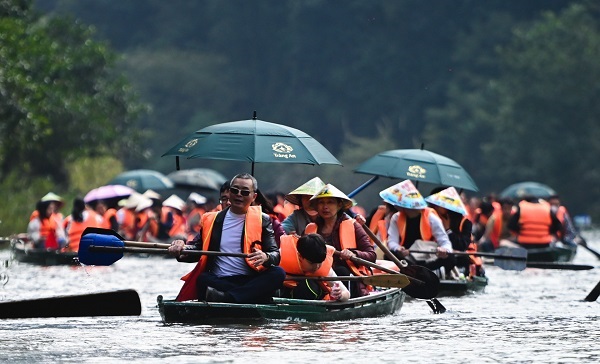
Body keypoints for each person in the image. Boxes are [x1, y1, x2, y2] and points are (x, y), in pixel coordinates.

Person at [168, 173, 285, 303]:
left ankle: (228, 297)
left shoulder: (263, 219)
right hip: (222, 280)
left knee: (278, 273)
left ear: (254, 196)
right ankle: (248, 296)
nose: (239, 194)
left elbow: (275, 254)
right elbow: (197, 249)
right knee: (203, 278)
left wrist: (266, 257)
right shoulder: (212, 219)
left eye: (245, 192)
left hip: (251, 278)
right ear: (229, 193)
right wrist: (181, 248)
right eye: (235, 190)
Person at [306, 183, 376, 297]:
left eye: (330, 202)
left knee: (341, 271)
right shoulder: (310, 228)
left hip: (346, 275)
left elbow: (371, 255)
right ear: (317, 206)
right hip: (319, 274)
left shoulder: (353, 226)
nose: (325, 207)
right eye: (321, 202)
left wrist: (353, 253)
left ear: (339, 205)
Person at [380, 180, 453, 273]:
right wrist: (399, 249)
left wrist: (444, 250)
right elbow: (392, 242)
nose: (394, 205)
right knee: (389, 255)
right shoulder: (396, 217)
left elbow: (445, 242)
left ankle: (429, 273)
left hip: (427, 257)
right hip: (407, 258)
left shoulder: (431, 217)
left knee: (450, 258)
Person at [279, 233, 350, 301]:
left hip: (314, 300)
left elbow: (346, 293)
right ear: (300, 256)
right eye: (312, 263)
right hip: (285, 297)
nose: (316, 267)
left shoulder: (325, 269)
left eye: (320, 263)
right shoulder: (280, 256)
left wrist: (340, 295)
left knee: (308, 285)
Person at [425, 186, 473, 277]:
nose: (434, 207)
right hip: (429, 254)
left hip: (455, 257)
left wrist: (447, 229)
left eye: (438, 203)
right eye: (433, 203)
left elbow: (462, 246)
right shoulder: (426, 217)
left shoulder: (464, 222)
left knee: (460, 259)